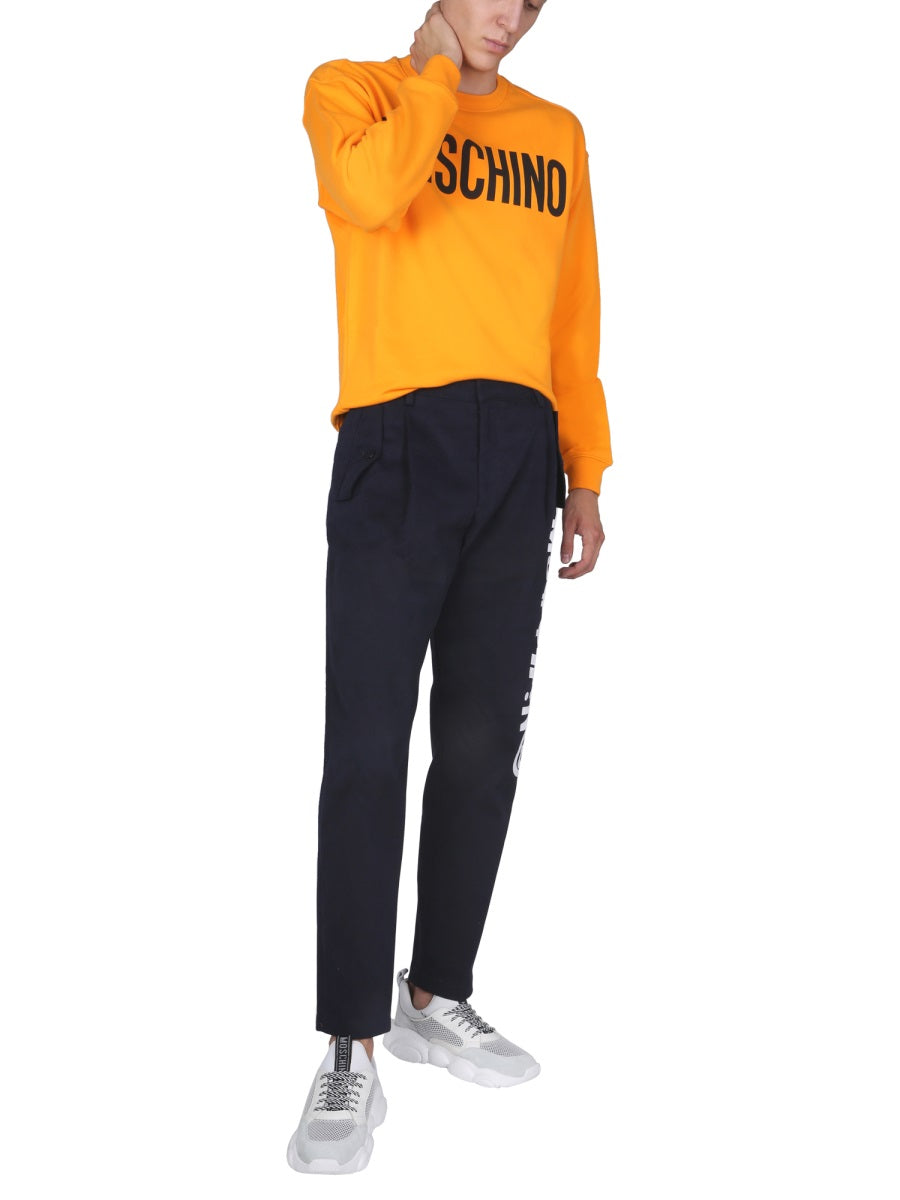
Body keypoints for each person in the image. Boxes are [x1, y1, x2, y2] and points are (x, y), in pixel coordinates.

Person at [287, 0, 612, 1174]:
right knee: (368, 751)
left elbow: (571, 317)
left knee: (482, 747)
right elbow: (372, 197)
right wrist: (432, 78)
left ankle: (434, 993)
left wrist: (586, 469)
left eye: (533, 3)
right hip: (395, 443)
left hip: (520, 455)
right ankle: (349, 1042)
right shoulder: (352, 92)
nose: (514, 19)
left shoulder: (556, 133)